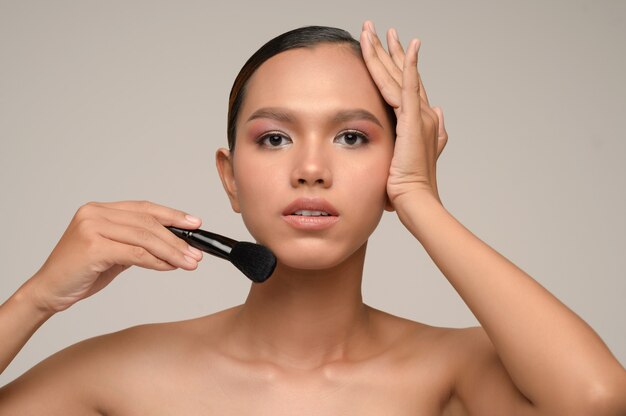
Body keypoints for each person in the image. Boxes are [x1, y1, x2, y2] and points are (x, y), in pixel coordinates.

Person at [0, 21, 624, 415]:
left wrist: (419, 197)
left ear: (395, 165)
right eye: (273, 139)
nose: (311, 168)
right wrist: (33, 300)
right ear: (230, 178)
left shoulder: (450, 374)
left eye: (353, 137)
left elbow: (596, 401)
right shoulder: (118, 376)